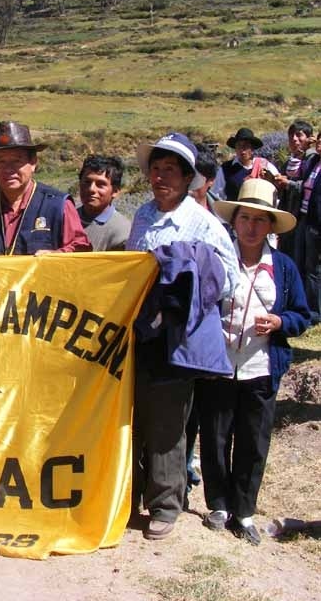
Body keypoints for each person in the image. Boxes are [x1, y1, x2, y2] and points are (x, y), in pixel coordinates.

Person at [127, 132, 239, 541]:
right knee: (135, 417)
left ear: (188, 176)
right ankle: (129, 496)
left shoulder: (203, 223)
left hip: (176, 335)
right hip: (138, 332)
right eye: (155, 169)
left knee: (168, 423)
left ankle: (166, 504)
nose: (160, 177)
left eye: (169, 170)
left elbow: (229, 280)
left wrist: (189, 282)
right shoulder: (141, 215)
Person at [199, 179, 310, 545]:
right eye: (245, 218)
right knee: (215, 436)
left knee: (253, 440)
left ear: (270, 226)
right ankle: (217, 503)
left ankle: (244, 510)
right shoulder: (216, 259)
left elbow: (303, 315)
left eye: (259, 220)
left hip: (261, 367)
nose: (250, 226)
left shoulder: (284, 267)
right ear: (235, 220)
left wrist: (280, 322)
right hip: (219, 365)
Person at [0, 121, 90, 256]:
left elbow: (80, 248)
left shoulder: (58, 205)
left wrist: (57, 255)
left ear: (33, 163)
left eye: (17, 161)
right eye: (1, 161)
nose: (8, 169)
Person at [275, 120, 315, 258]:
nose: (294, 139)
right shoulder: (288, 162)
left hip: (304, 218)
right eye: (291, 135)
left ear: (309, 138)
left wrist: (288, 183)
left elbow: (309, 186)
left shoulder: (312, 160)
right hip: (289, 215)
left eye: (299, 135)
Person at [76, 155, 130, 251]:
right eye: (87, 182)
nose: (91, 189)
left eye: (100, 184)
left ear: (115, 191)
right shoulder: (65, 218)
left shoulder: (121, 232)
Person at [220, 128, 278, 202]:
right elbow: (217, 194)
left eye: (246, 146)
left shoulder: (265, 166)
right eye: (239, 146)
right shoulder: (225, 168)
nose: (242, 150)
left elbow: (276, 190)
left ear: (252, 148)